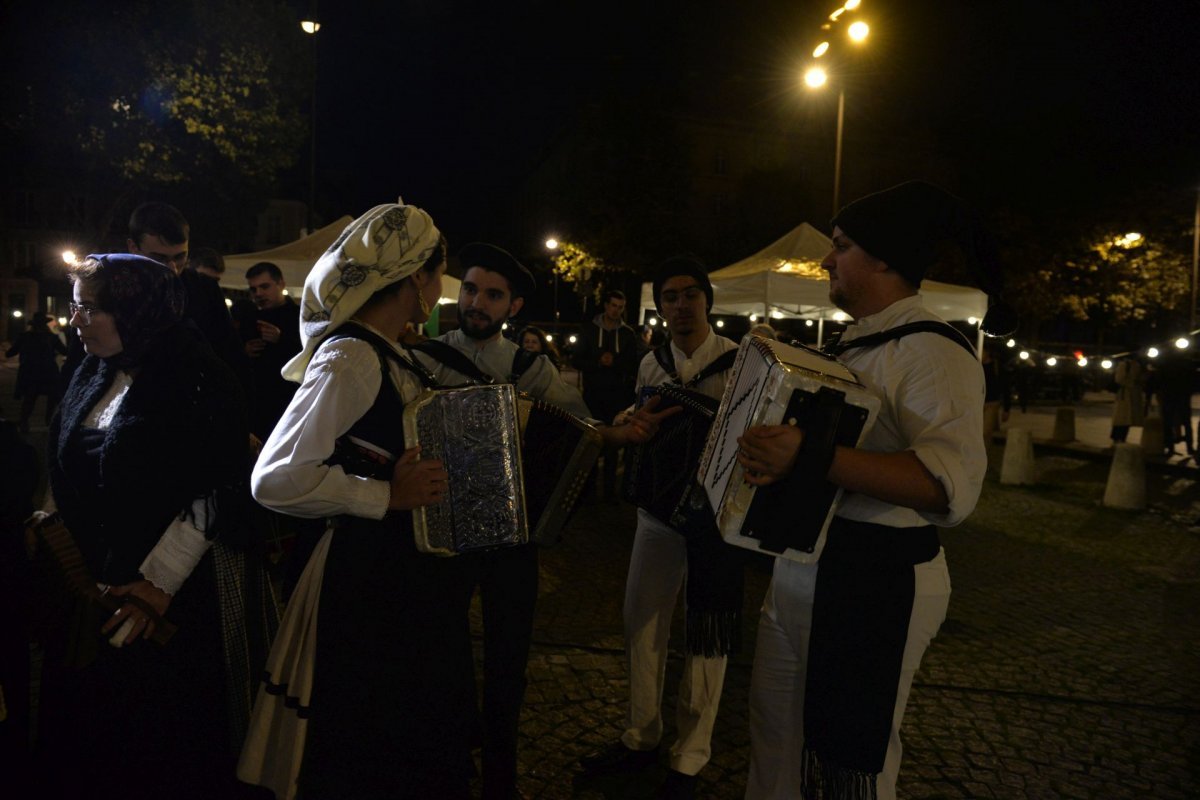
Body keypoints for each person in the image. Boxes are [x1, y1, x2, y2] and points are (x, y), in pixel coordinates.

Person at [735, 181, 1012, 800]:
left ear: (885, 258)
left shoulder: (934, 353)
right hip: (805, 565)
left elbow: (946, 488)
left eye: (841, 246)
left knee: (853, 764)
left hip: (875, 577)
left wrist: (808, 454)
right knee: (775, 738)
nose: (826, 261)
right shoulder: (851, 343)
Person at [410, 243, 667, 800]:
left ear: (514, 305)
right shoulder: (426, 357)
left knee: (509, 660)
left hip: (512, 537)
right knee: (438, 650)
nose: (477, 302)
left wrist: (621, 429)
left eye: (492, 295)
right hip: (440, 530)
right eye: (471, 290)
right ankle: (449, 759)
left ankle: (500, 776)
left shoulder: (532, 369)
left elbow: (584, 428)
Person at [241, 203, 473, 799]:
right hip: (360, 581)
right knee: (359, 732)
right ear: (415, 277)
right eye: (438, 275)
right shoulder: (351, 358)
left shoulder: (382, 350)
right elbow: (276, 478)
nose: (440, 291)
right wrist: (385, 496)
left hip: (386, 576)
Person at [34, 254, 251, 799]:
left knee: (153, 746)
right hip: (91, 587)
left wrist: (158, 583)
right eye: (76, 307)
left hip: (159, 597)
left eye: (89, 309)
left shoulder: (200, 378)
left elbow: (217, 486)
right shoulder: (92, 368)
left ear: (134, 311)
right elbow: (62, 456)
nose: (76, 320)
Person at [579, 257, 741, 800]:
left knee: (706, 634)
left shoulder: (740, 362)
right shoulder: (652, 364)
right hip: (656, 510)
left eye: (688, 294)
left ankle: (690, 757)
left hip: (715, 518)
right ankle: (640, 735)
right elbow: (640, 413)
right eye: (669, 297)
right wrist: (632, 420)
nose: (679, 305)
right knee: (641, 623)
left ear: (706, 300)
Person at [127, 202, 247, 380]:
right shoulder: (111, 291)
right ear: (133, 248)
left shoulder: (206, 289)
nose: (172, 268)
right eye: (159, 258)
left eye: (179, 256)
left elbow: (231, 354)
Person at [574, 288, 641, 500]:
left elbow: (633, 363)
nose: (616, 311)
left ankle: (610, 491)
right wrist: (597, 362)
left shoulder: (628, 334)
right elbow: (577, 359)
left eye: (620, 307)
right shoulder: (588, 330)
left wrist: (616, 364)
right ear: (606, 305)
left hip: (617, 395)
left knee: (614, 443)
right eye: (613, 306)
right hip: (593, 394)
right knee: (592, 439)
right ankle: (589, 490)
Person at [242, 261, 303, 440]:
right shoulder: (249, 318)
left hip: (288, 401)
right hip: (256, 401)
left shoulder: (299, 316)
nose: (259, 294)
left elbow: (310, 355)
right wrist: (244, 351)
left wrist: (281, 340)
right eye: (253, 289)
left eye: (264, 286)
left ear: (281, 284)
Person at [5, 313, 66, 433]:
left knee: (30, 398)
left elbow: (10, 353)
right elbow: (64, 350)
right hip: (48, 372)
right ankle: (49, 420)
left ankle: (24, 422)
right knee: (53, 396)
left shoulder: (25, 336)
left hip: (30, 372)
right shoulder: (52, 337)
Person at [1110, 354, 1146, 443]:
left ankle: (1119, 437)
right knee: (1123, 417)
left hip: (1130, 393)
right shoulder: (1126, 365)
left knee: (1125, 418)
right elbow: (1119, 379)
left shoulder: (1133, 365)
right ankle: (1118, 437)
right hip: (1125, 394)